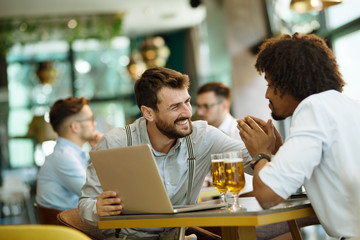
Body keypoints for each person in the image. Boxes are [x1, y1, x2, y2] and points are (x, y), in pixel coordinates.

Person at [78, 67, 251, 240]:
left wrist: (265, 150)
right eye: (175, 106)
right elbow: (85, 203)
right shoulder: (115, 143)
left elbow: (251, 161)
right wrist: (97, 208)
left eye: (187, 102)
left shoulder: (203, 137)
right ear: (148, 113)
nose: (187, 112)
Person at [237, 33, 360, 239]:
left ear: (288, 82)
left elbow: (268, 196)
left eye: (269, 83)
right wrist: (281, 151)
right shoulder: (347, 105)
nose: (267, 94)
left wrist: (260, 154)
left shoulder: (312, 108)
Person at [36, 97, 103, 210]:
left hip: (76, 223)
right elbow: (98, 194)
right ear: (75, 127)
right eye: (91, 119)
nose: (94, 123)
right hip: (71, 226)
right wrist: (103, 150)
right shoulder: (64, 157)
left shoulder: (71, 155)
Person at [196, 82, 253, 193]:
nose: (200, 112)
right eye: (198, 106)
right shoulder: (200, 136)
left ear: (225, 105)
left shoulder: (242, 133)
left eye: (206, 106)